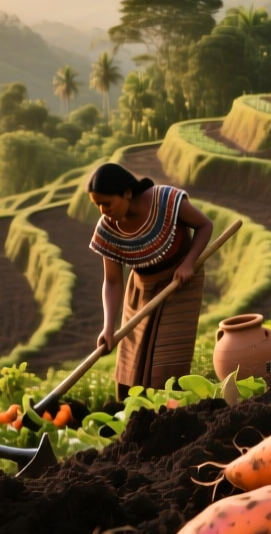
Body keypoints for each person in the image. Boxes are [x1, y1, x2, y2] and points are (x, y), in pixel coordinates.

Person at [85, 162, 213, 396]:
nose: (103, 210)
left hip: (180, 283)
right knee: (132, 365)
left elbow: (205, 225)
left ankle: (169, 411)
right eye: (98, 205)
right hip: (140, 291)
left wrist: (188, 263)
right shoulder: (107, 228)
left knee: (166, 366)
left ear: (127, 193)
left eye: (107, 203)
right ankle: (136, 413)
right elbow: (112, 281)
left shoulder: (165, 200)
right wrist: (108, 327)